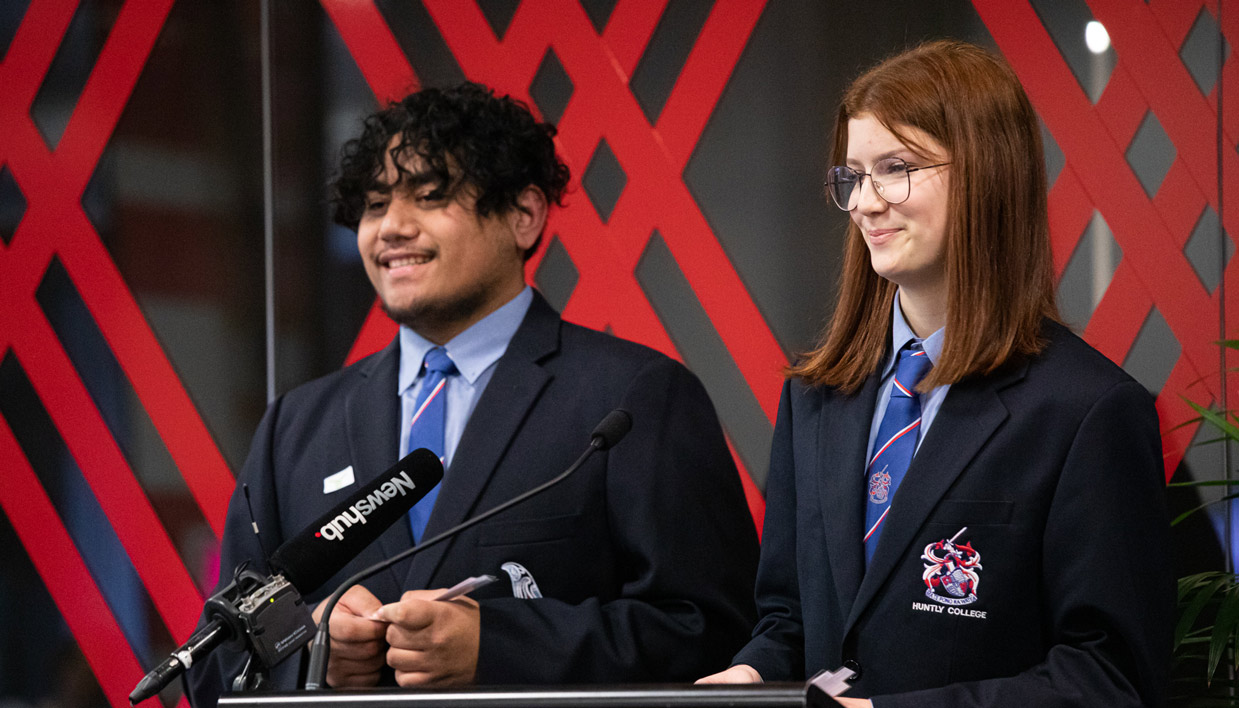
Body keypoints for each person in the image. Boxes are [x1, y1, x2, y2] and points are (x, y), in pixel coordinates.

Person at [185, 82, 759, 706]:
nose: (392, 228)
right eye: (375, 205)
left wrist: (498, 645)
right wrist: (314, 657)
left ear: (524, 214)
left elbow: (717, 635)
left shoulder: (635, 397)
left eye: (430, 196)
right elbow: (212, 665)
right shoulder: (296, 425)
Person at [698, 40, 1171, 707]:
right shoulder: (815, 397)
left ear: (987, 174)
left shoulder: (1088, 410)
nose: (864, 202)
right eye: (852, 176)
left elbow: (1110, 677)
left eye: (895, 168)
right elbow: (791, 620)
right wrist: (748, 676)